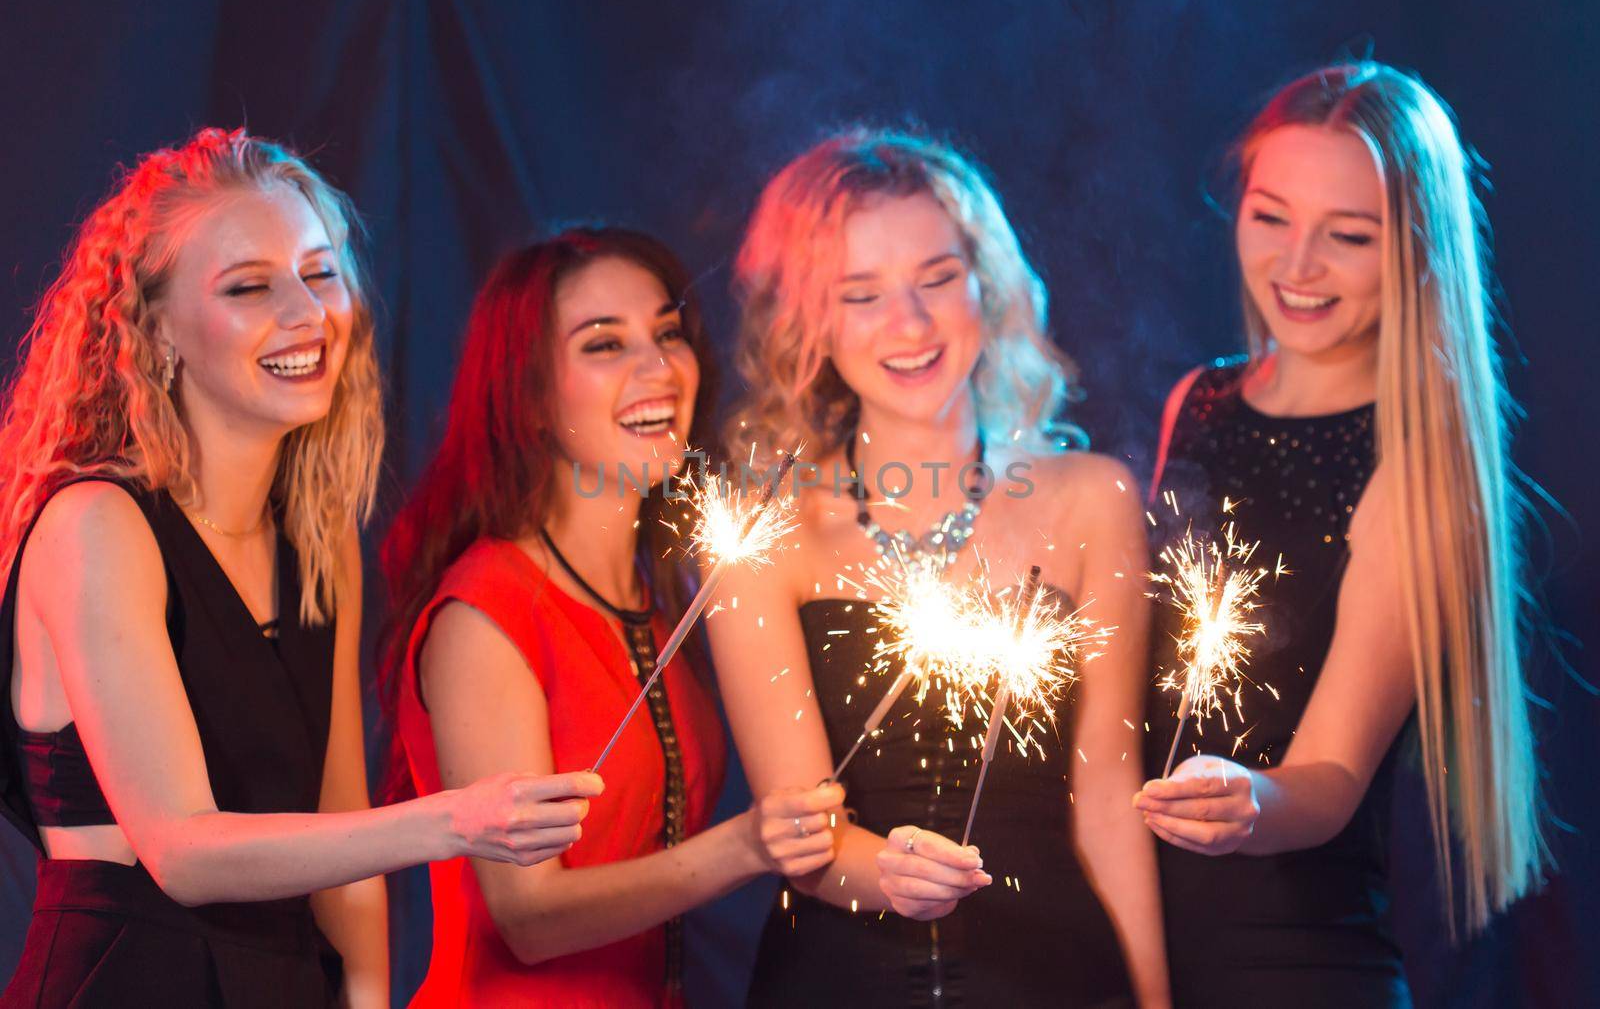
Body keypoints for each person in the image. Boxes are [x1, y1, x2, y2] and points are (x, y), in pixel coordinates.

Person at [0, 129, 598, 1008]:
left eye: (320, 273)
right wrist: (457, 819)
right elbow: (182, 849)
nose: (307, 312)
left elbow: (344, 855)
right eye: (250, 287)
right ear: (155, 332)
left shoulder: (317, 544)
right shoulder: (96, 524)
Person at [710, 129, 1168, 1007]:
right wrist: (884, 871)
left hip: (1053, 976)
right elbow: (804, 836)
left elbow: (1109, 799)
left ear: (985, 286)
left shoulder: (1091, 500)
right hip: (844, 980)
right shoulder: (762, 533)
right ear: (810, 321)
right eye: (862, 294)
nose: (910, 324)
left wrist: (1155, 1002)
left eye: (936, 278)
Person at [1134, 63, 1548, 1008]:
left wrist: (1247, 802)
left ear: (1418, 249)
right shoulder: (1195, 402)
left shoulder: (1419, 468)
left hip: (1294, 965)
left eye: (1348, 236)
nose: (1297, 265)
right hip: (1143, 952)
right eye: (1270, 216)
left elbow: (1326, 779)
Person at [380, 228, 831, 1007]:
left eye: (666, 333)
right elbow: (528, 916)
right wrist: (749, 845)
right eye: (604, 345)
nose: (657, 369)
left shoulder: (660, 604)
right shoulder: (488, 611)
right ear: (530, 394)